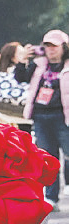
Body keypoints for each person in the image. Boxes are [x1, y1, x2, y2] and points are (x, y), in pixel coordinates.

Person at [24, 29, 69, 205]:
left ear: (64, 47)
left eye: (54, 46)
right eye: (47, 46)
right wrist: (23, 60)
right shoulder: (38, 65)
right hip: (41, 116)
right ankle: (51, 197)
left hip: (63, 116)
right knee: (48, 159)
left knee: (68, 154)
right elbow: (21, 77)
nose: (50, 50)